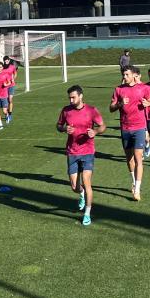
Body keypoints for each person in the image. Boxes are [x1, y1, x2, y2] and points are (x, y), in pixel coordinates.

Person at [56, 85, 105, 226]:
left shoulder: (91, 110)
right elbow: (58, 126)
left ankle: (87, 214)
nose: (71, 100)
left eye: (73, 97)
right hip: (72, 152)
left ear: (81, 96)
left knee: (86, 181)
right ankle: (81, 193)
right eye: (69, 98)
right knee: (74, 187)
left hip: (88, 151)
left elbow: (103, 126)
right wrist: (65, 128)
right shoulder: (66, 111)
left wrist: (95, 132)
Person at [110, 65, 150, 201]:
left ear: (134, 75)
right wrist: (120, 104)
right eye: (123, 74)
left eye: (127, 74)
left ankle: (137, 190)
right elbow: (111, 108)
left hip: (139, 127)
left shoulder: (143, 88)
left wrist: (148, 103)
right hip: (125, 128)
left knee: (138, 157)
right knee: (129, 159)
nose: (124, 77)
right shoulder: (118, 90)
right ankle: (133, 181)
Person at [3, 55, 18, 120]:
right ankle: (6, 114)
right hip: (4, 86)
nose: (6, 61)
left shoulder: (12, 67)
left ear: (9, 60)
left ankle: (10, 114)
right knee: (5, 101)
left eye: (7, 60)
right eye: (5, 60)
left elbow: (15, 73)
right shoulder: (2, 67)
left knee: (10, 100)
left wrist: (13, 79)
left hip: (11, 85)